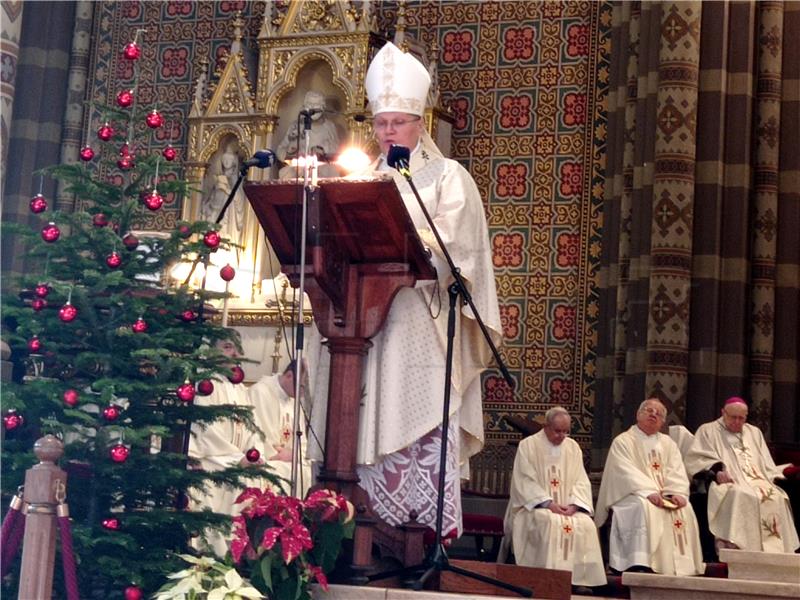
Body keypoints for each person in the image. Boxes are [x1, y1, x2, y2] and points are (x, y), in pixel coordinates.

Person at [308, 42, 502, 537]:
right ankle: (355, 525)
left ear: (420, 124)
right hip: (363, 323)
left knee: (410, 421)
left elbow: (458, 250)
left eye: (397, 123)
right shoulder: (364, 178)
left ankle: (415, 533)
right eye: (381, 123)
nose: (388, 131)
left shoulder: (447, 177)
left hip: (420, 323)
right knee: (362, 416)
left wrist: (418, 247)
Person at [595, 398, 704, 576]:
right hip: (632, 493)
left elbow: (676, 471)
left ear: (663, 422)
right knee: (644, 506)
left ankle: (677, 564)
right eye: (648, 410)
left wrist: (676, 493)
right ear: (638, 415)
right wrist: (648, 492)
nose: (653, 414)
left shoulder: (668, 444)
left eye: (659, 413)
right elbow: (624, 471)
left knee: (685, 509)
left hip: (662, 495)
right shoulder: (623, 441)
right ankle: (639, 561)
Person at [501, 407, 606, 588]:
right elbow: (525, 481)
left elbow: (581, 480)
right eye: (558, 431)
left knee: (586, 524)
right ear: (546, 426)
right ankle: (547, 579)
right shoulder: (528, 445)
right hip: (535, 507)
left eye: (566, 431)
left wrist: (574, 505)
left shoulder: (573, 447)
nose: (562, 436)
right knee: (549, 521)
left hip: (567, 507)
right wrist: (548, 504)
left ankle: (580, 580)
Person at [684, 396, 799, 554]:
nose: (737, 422)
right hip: (728, 481)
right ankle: (736, 548)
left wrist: (775, 475)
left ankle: (776, 551)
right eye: (733, 417)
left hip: (758, 481)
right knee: (740, 494)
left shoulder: (754, 432)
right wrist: (716, 472)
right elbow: (696, 458)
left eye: (741, 418)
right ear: (723, 413)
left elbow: (765, 462)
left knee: (778, 496)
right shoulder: (708, 430)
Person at [187, 337, 264, 558]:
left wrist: (254, 454)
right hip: (211, 463)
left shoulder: (239, 389)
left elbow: (253, 427)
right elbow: (206, 432)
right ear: (211, 352)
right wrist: (236, 460)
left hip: (238, 462)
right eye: (227, 347)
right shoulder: (205, 386)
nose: (235, 354)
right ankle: (216, 558)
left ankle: (241, 558)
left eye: (236, 349)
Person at [247, 360, 313, 498]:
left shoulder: (294, 402)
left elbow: (303, 443)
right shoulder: (261, 392)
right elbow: (261, 436)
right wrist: (282, 455)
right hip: (268, 459)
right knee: (283, 472)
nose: (302, 394)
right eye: (301, 387)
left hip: (288, 460)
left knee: (305, 472)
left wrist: (294, 455)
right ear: (289, 376)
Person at [276, 90, 340, 179]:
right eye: (309, 104)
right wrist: (291, 153)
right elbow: (280, 150)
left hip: (322, 168)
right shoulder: (296, 125)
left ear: (323, 107)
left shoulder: (329, 126)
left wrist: (323, 149)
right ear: (304, 106)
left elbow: (337, 150)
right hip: (300, 168)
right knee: (285, 174)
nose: (312, 108)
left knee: (332, 173)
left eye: (316, 104)